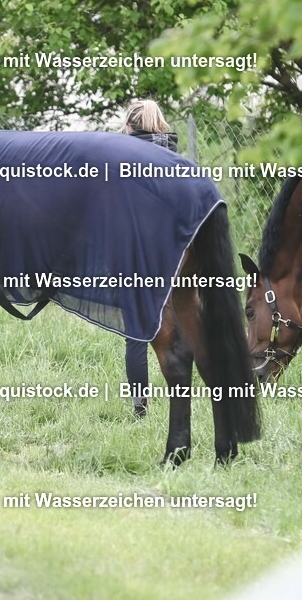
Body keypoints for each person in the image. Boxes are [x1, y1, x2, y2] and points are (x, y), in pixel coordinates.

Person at [122, 99, 179, 418]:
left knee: (137, 333)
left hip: (135, 254)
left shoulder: (123, 158)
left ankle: (140, 407)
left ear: (130, 127)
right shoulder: (176, 158)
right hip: (173, 254)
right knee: (179, 326)